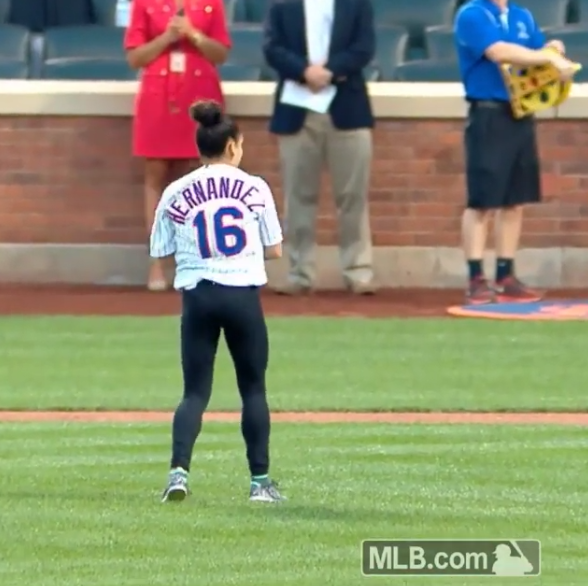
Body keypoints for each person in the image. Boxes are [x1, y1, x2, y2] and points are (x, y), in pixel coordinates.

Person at [150, 100, 286, 504]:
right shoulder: (255, 186)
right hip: (243, 293)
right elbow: (274, 249)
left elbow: (160, 249)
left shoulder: (176, 190)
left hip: (199, 295)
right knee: (253, 390)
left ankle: (178, 475)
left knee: (194, 392)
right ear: (232, 146)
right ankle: (260, 483)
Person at [454, 0, 576, 304]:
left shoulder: (522, 15)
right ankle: (475, 278)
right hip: (488, 113)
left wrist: (553, 51)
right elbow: (499, 52)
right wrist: (543, 56)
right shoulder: (472, 14)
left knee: (514, 200)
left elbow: (537, 53)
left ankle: (506, 275)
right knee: (482, 201)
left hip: (520, 113)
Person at [263, 0, 376, 295]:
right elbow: (272, 49)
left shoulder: (357, 5)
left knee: (353, 195)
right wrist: (304, 71)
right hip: (297, 108)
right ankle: (300, 274)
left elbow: (364, 47)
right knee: (298, 195)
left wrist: (328, 71)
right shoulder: (282, 5)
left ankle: (359, 272)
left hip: (347, 107)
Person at [124, 0, 231, 291]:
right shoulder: (143, 4)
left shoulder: (212, 4)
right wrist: (167, 37)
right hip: (158, 96)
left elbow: (220, 53)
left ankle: (199, 260)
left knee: (199, 179)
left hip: (199, 95)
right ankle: (157, 262)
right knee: (155, 175)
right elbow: (135, 58)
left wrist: (193, 34)